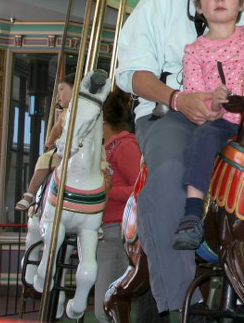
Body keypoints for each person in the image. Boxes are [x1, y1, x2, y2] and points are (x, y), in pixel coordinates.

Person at [115, 0, 244, 315]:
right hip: (174, 114)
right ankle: (184, 303)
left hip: (243, 116)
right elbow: (130, 72)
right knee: (168, 172)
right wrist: (176, 98)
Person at [171, 0, 244, 250]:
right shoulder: (195, 50)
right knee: (202, 136)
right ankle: (192, 213)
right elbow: (193, 93)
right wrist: (211, 102)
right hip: (223, 122)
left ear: (241, 3)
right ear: (199, 6)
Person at [94, 88, 142, 323]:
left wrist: (109, 191)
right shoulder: (106, 149)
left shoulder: (124, 147)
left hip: (118, 230)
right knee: (104, 305)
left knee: (107, 306)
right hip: (106, 229)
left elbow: (140, 187)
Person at [16, 74, 74, 211]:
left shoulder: (84, 111)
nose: (59, 95)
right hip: (64, 151)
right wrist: (50, 142)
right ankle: (29, 195)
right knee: (45, 159)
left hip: (80, 151)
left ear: (74, 89)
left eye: (62, 89)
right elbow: (55, 129)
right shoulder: (65, 113)